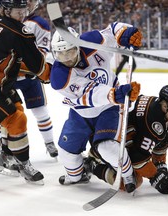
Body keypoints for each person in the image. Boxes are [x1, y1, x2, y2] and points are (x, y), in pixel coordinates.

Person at [50, 22, 142, 193]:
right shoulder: (59, 77)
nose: (67, 58)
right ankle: (78, 175)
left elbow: (112, 30)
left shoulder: (93, 42)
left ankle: (128, 174)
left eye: (69, 51)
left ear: (78, 46)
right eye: (61, 54)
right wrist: (114, 94)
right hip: (80, 112)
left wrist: (124, 33)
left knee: (107, 148)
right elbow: (89, 93)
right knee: (66, 154)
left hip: (108, 108)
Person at [0, 0, 50, 183]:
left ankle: (6, 157)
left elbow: (5, 60)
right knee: (16, 119)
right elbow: (38, 66)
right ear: (5, 10)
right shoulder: (19, 31)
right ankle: (22, 163)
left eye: (23, 10)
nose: (22, 15)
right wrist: (50, 73)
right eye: (18, 12)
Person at [84, 85, 168, 193]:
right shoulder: (154, 123)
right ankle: (93, 165)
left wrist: (161, 168)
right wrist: (155, 176)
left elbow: (160, 142)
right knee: (133, 181)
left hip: (107, 132)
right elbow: (137, 159)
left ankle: (100, 155)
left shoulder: (156, 105)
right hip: (106, 141)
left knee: (164, 136)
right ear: (165, 105)